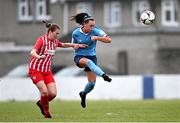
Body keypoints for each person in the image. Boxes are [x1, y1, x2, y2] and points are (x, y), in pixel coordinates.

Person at [28, 20, 87, 118]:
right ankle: (47, 114)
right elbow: (32, 52)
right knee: (44, 92)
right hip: (35, 70)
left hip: (47, 71)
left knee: (53, 94)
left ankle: (40, 103)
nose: (58, 35)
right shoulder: (42, 40)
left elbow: (63, 44)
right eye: (56, 33)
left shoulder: (55, 42)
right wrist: (38, 56)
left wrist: (76, 45)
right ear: (50, 32)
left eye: (59, 34)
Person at [71, 13, 112, 108]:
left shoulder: (96, 31)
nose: (93, 27)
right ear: (84, 24)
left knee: (92, 83)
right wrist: (77, 46)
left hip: (92, 57)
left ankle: (83, 93)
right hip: (79, 56)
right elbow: (73, 45)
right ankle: (104, 75)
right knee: (89, 63)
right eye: (91, 25)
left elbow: (109, 40)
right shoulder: (75, 33)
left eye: (93, 25)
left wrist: (97, 38)